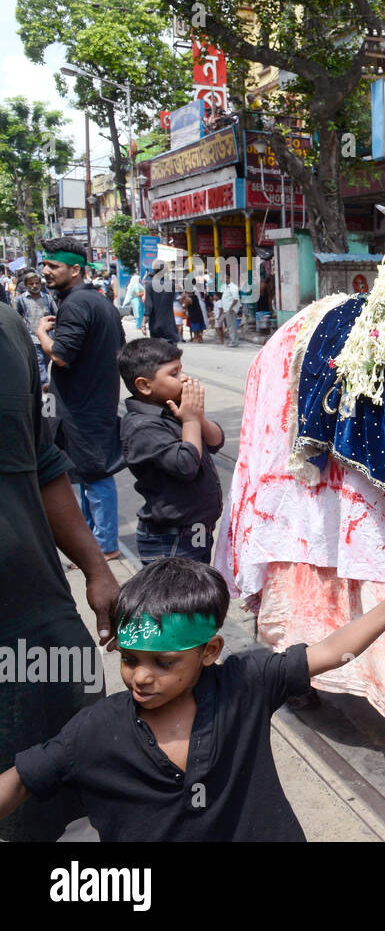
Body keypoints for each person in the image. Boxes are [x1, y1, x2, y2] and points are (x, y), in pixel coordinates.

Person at [0, 557, 385, 841]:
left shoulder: (247, 684)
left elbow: (327, 653)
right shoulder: (94, 729)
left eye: (163, 662)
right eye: (130, 660)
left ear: (209, 652)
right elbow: (23, 778)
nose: (141, 677)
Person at [0, 299, 118, 841]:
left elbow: (43, 462)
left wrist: (96, 569)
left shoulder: (8, 330)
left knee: (62, 791)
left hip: (35, 615)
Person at [34, 238, 126, 559]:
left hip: (82, 407)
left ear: (76, 270)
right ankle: (95, 541)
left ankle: (105, 546)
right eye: (45, 265)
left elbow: (60, 356)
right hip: (93, 400)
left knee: (94, 475)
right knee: (85, 475)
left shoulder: (75, 304)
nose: (45, 271)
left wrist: (41, 332)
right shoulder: (100, 302)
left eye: (53, 266)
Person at [118, 339, 226, 565]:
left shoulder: (172, 409)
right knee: (180, 597)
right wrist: (190, 421)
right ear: (144, 385)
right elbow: (186, 465)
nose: (184, 378)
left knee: (199, 592)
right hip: (170, 538)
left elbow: (216, 441)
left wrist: (196, 417)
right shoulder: (142, 426)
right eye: (174, 374)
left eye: (181, 370)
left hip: (195, 531)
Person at [12, 270, 56, 388]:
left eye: (36, 283)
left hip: (48, 336)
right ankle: (44, 382)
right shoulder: (21, 300)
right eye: (31, 284)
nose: (34, 286)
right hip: (32, 336)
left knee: (46, 360)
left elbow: (56, 313)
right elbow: (16, 316)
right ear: (26, 285)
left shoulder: (47, 298)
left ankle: (40, 379)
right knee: (39, 359)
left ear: (40, 284)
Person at [145, 260, 180, 344]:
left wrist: (143, 322)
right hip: (169, 324)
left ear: (154, 270)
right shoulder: (171, 284)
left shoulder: (149, 285)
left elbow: (149, 306)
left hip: (155, 324)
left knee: (157, 351)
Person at [218, 277, 242, 347]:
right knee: (230, 326)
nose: (223, 280)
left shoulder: (233, 287)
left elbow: (236, 299)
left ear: (229, 279)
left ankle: (233, 342)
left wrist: (231, 307)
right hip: (227, 309)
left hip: (231, 310)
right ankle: (233, 341)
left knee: (232, 326)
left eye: (225, 278)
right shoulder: (226, 287)